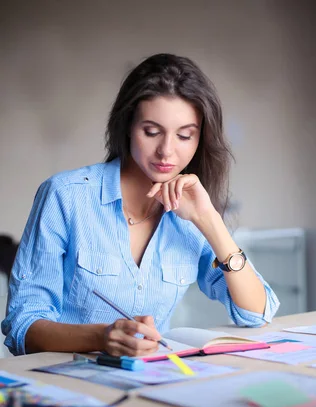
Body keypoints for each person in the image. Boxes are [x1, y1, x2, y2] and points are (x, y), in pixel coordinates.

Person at [2, 53, 279, 357]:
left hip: (147, 381)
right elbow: (22, 326)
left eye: (185, 135)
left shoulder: (190, 211)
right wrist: (102, 337)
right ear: (127, 125)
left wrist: (210, 220)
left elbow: (256, 312)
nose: (166, 151)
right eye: (151, 131)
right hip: (64, 384)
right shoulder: (65, 196)